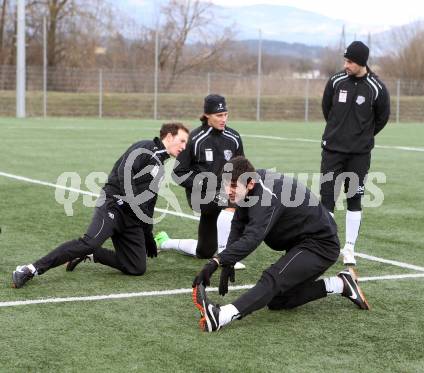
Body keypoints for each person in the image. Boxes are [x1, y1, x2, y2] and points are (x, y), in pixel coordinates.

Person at [192, 156, 370, 332]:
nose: (227, 191)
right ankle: (341, 284)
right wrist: (228, 260)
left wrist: (216, 261)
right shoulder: (251, 183)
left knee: (272, 279)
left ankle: (220, 316)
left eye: (232, 186)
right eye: (225, 184)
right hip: (299, 241)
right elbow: (239, 222)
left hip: (320, 244)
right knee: (277, 301)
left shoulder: (266, 196)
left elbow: (252, 238)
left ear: (250, 184)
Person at [12, 123, 189, 288]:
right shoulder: (145, 148)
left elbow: (149, 203)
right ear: (168, 136)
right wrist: (134, 203)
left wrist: (148, 233)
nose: (184, 146)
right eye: (182, 140)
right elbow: (123, 173)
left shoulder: (160, 165)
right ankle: (30, 269)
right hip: (113, 205)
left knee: (136, 267)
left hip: (131, 217)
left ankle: (92, 254)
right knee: (89, 242)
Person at [155, 94, 246, 269]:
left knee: (204, 251)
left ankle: (165, 242)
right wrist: (205, 184)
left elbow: (242, 166)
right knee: (232, 201)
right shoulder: (194, 139)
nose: (223, 119)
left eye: (225, 114)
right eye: (219, 115)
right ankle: (227, 256)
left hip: (223, 193)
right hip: (200, 196)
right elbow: (178, 173)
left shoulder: (234, 137)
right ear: (207, 115)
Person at [320, 41, 390, 266]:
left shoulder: (376, 88)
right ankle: (325, 245)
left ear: (361, 62)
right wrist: (337, 131)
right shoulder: (336, 81)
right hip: (332, 150)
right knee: (327, 199)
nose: (346, 65)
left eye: (350, 61)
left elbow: (382, 118)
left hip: (359, 154)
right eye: (345, 60)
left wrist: (363, 136)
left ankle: (349, 248)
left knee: (354, 198)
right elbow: (326, 108)